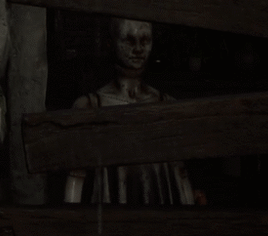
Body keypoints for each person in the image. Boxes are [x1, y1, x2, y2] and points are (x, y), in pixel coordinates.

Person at [63, 18, 197, 205]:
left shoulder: (167, 105)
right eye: (129, 40)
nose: (138, 49)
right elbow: (76, 178)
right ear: (111, 43)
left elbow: (180, 174)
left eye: (145, 40)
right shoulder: (89, 106)